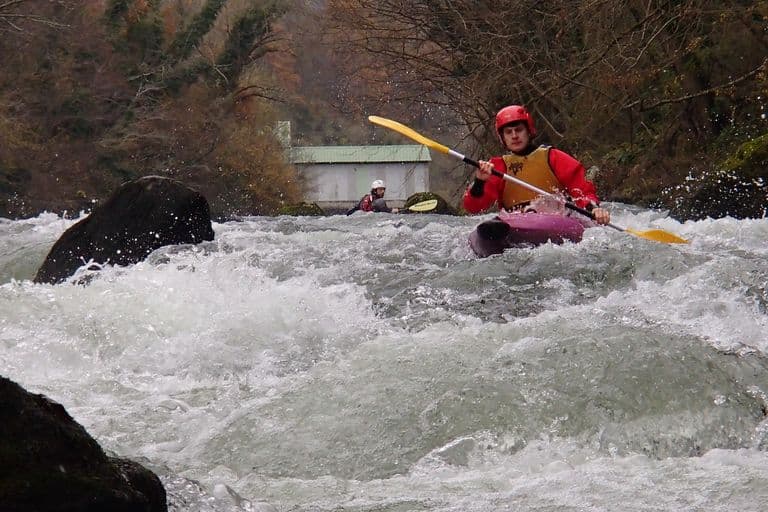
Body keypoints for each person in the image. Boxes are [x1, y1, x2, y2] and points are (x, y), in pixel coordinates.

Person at [462, 105, 611, 225]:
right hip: (516, 223)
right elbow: (474, 208)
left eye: (519, 130)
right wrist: (480, 182)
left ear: (529, 131)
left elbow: (582, 191)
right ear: (503, 138)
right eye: (508, 132)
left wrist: (594, 209)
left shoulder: (553, 157)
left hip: (557, 221)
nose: (514, 136)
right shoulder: (497, 167)